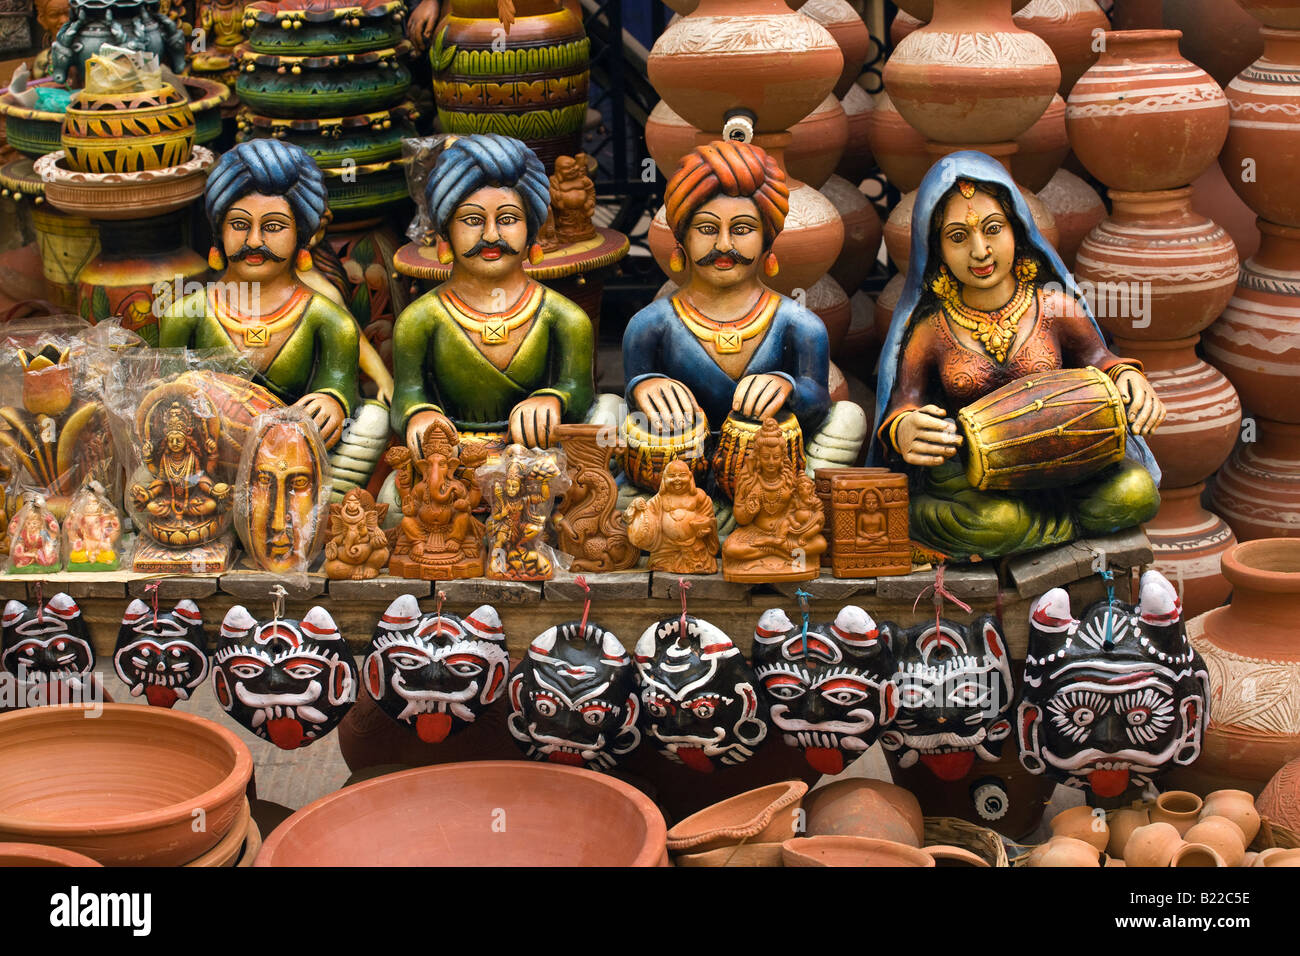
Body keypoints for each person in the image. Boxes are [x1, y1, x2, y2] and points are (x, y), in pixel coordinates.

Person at [871, 151, 1164, 561]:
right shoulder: (930, 330)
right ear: (935, 249)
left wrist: (1128, 378)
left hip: (1066, 467)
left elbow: (1100, 359)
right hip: (976, 483)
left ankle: (1028, 527)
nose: (980, 251)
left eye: (993, 229)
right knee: (996, 521)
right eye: (958, 237)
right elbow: (903, 401)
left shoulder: (1054, 307)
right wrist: (904, 428)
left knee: (1135, 493)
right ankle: (1045, 526)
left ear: (1017, 229)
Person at [390, 134, 595, 452]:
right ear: (445, 231)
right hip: (450, 460)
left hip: (535, 459)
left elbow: (580, 391)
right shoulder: (419, 319)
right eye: (472, 220)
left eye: (508, 219)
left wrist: (553, 398)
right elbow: (407, 395)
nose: (490, 235)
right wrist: (420, 415)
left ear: (532, 231)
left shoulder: (565, 316)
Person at [623, 141, 831, 442]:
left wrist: (789, 387)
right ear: (681, 239)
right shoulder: (650, 325)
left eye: (742, 229)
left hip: (771, 470)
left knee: (848, 419)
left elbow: (819, 402)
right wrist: (643, 385)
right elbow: (634, 407)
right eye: (706, 229)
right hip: (679, 471)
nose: (723, 245)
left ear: (767, 241)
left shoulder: (800, 324)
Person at [158, 139, 360, 450]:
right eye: (239, 224)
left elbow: (341, 383)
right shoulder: (186, 315)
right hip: (211, 459)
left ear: (301, 236)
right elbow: (165, 397)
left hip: (295, 458)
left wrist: (333, 400)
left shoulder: (329, 320)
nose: (254, 240)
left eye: (274, 226)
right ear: (219, 231)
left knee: (370, 423)